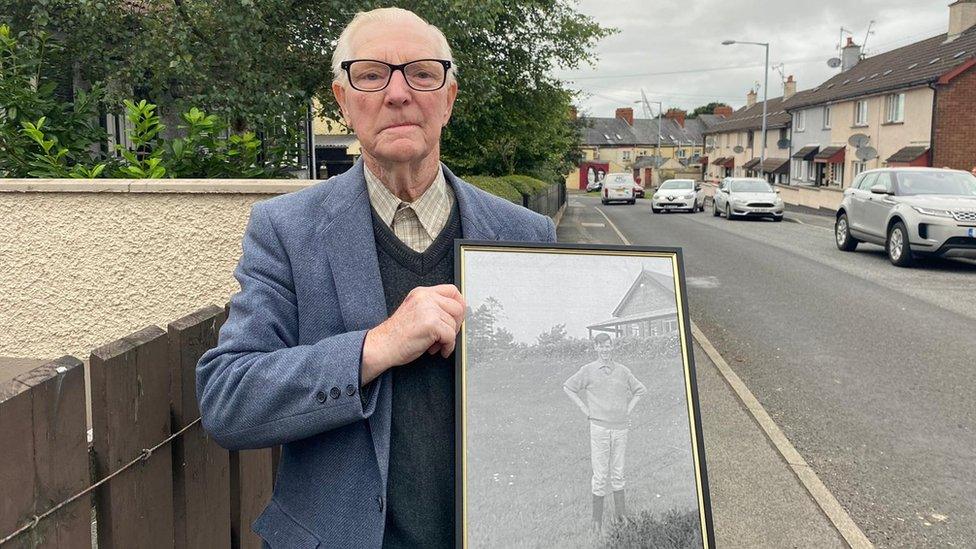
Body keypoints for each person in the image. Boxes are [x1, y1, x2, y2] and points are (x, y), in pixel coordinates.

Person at [195, 7, 555, 548]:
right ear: (342, 101)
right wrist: (376, 346)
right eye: (370, 75)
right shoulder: (286, 231)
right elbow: (229, 399)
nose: (398, 93)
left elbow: (550, 393)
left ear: (448, 99)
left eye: (422, 73)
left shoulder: (525, 236)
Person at [563, 333, 647, 530]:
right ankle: (596, 522)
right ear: (596, 348)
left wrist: (628, 410)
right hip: (599, 428)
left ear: (612, 347)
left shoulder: (623, 371)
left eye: (608, 346)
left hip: (621, 428)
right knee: (600, 475)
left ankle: (621, 518)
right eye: (601, 347)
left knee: (618, 473)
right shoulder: (588, 370)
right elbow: (568, 387)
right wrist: (585, 410)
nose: (605, 350)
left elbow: (641, 390)